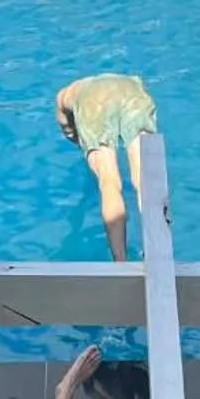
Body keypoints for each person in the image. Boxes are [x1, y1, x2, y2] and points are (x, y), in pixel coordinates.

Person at [55, 73, 157, 260]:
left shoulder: (65, 96)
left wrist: (81, 141)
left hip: (92, 103)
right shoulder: (130, 79)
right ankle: (156, 248)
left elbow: (67, 130)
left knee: (109, 181)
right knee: (144, 178)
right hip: (131, 92)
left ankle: (120, 261)